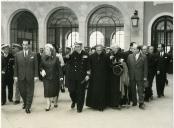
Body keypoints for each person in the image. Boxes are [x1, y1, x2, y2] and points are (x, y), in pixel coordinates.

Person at [14, 40, 38, 114]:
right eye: (24, 45)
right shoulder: (17, 54)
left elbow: (36, 66)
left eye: (26, 44)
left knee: (30, 92)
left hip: (30, 76)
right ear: (22, 45)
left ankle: (28, 107)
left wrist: (36, 76)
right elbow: (16, 67)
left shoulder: (33, 54)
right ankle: (25, 102)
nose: (25, 46)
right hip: (21, 76)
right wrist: (15, 76)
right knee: (22, 92)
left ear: (29, 45)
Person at [66, 42, 90, 113]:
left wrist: (88, 75)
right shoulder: (72, 54)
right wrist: (67, 57)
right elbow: (67, 60)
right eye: (75, 46)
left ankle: (79, 107)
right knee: (72, 91)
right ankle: (74, 101)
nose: (76, 48)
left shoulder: (86, 54)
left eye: (78, 46)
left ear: (81, 47)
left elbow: (88, 66)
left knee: (81, 92)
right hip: (73, 77)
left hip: (82, 77)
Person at [40, 44, 63, 111]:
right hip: (46, 78)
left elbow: (59, 69)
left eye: (47, 49)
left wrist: (61, 77)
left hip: (54, 77)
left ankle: (55, 102)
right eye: (45, 49)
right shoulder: (43, 58)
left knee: (55, 91)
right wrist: (42, 70)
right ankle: (48, 104)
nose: (45, 51)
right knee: (46, 90)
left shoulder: (56, 58)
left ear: (51, 51)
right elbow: (40, 66)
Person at [86, 45, 110, 111]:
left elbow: (108, 66)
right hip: (94, 77)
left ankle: (101, 106)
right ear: (95, 50)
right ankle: (94, 105)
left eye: (100, 50)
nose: (99, 51)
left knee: (102, 91)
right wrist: (88, 74)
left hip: (103, 77)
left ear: (102, 50)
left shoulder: (106, 56)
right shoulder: (91, 57)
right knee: (94, 91)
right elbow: (89, 66)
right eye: (97, 50)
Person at [127, 44, 148, 109]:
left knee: (140, 89)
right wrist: (128, 75)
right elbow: (128, 66)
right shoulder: (129, 56)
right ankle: (134, 101)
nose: (133, 50)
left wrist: (145, 76)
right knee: (133, 89)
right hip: (132, 76)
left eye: (134, 49)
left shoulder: (144, 57)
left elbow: (145, 68)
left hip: (140, 76)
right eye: (133, 49)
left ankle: (141, 103)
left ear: (138, 50)